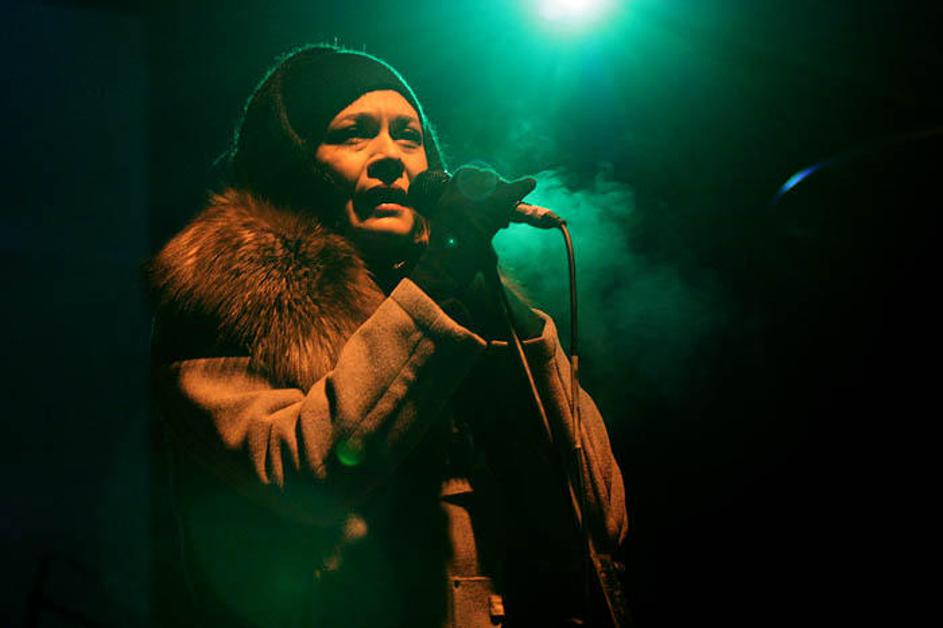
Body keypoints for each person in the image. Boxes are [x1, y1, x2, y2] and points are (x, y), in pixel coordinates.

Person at [148, 44, 627, 627]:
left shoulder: (461, 300)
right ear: (293, 161)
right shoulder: (226, 297)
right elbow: (303, 476)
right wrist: (438, 288)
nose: (389, 158)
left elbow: (603, 517)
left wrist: (506, 313)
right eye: (353, 134)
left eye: (408, 136)